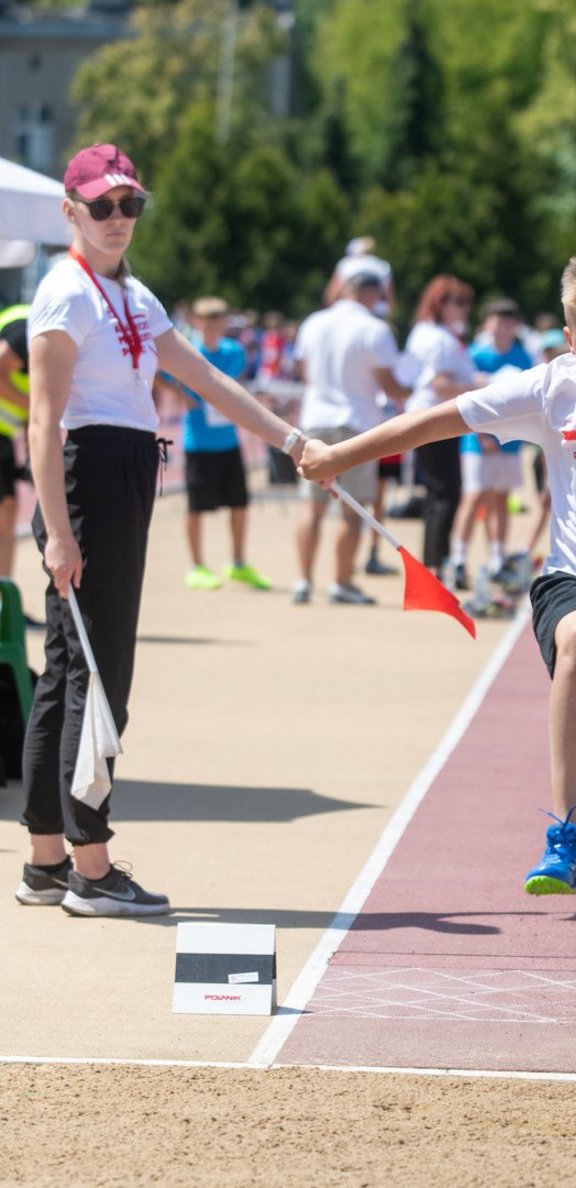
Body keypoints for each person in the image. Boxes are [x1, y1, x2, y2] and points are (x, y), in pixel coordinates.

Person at [300, 250, 576, 895]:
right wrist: (338, 456)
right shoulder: (550, 387)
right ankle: (565, 835)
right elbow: (434, 421)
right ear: (569, 342)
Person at [14, 143, 311, 917]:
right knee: (100, 676)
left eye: (130, 205)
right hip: (89, 477)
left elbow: (206, 378)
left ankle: (48, 859)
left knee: (67, 671)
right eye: (103, 206)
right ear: (70, 210)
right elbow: (43, 424)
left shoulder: (134, 295)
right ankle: (92, 866)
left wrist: (292, 442)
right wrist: (56, 529)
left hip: (120, 470)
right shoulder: (63, 294)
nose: (119, 219)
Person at [292, 270, 411, 605]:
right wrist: (412, 389)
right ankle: (341, 581)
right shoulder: (375, 329)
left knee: (311, 506)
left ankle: (303, 580)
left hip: (315, 420)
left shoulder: (313, 322)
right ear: (374, 295)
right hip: (356, 422)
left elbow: (303, 371)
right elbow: (390, 385)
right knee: (351, 507)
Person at [175, 295, 271, 592]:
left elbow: (235, 382)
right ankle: (196, 566)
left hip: (229, 440)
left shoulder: (235, 352)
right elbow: (161, 374)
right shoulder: (188, 352)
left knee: (240, 504)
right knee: (196, 507)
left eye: (219, 318)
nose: (215, 324)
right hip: (199, 443)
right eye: (209, 318)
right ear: (198, 322)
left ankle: (238, 563)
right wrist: (184, 395)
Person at [449, 297, 533, 588]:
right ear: (486, 325)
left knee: (501, 499)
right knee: (473, 498)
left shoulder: (523, 358)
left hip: (509, 443)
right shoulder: (475, 355)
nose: (502, 329)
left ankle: (497, 557)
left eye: (508, 324)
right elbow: (465, 401)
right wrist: (482, 435)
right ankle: (459, 559)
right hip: (477, 441)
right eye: (497, 323)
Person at [402, 275, 481, 575]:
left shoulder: (432, 333)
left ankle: (437, 561)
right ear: (440, 304)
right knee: (444, 492)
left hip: (434, 416)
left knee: (443, 492)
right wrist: (479, 386)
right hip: (434, 417)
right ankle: (435, 564)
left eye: (465, 303)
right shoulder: (436, 337)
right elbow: (439, 383)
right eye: (457, 302)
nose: (464, 309)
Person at [0, 304, 31, 577]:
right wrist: (32, 405)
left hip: (5, 437)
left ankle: (5, 600)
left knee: (8, 510)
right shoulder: (28, 331)